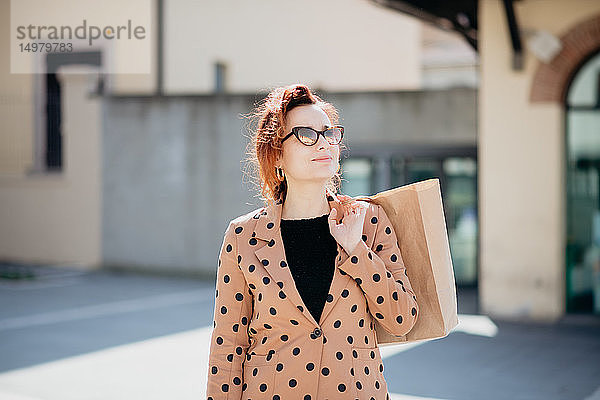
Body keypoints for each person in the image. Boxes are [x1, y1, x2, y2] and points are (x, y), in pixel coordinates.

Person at [206, 84, 419, 400]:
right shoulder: (244, 237)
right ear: (277, 155)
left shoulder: (369, 220)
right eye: (307, 134)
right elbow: (227, 345)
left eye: (329, 133)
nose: (325, 143)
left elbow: (402, 319)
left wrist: (356, 250)